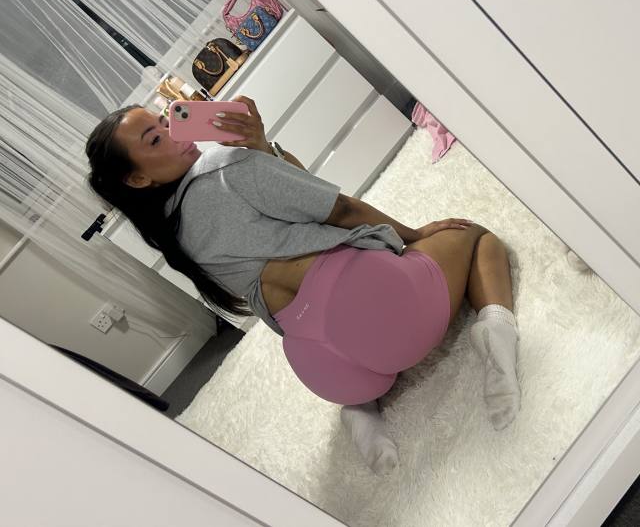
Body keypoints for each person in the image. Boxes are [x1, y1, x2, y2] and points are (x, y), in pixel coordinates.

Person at [85, 95, 521, 476]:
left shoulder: (175, 238)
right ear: (137, 179)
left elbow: (283, 210)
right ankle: (496, 334)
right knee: (476, 237)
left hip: (321, 365)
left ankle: (360, 410)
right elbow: (338, 208)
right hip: (387, 310)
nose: (173, 131)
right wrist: (414, 234)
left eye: (166, 120)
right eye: (155, 138)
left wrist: (261, 149)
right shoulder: (224, 166)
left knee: (355, 351)